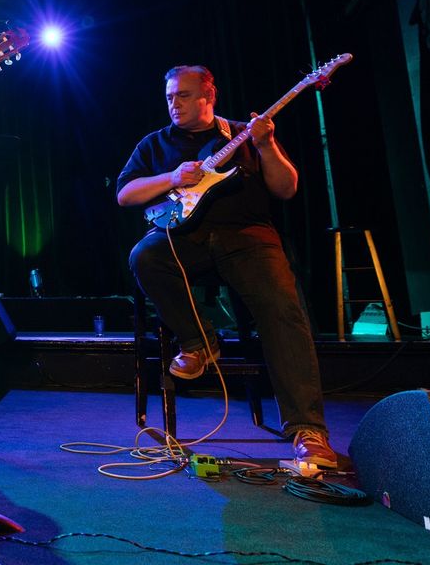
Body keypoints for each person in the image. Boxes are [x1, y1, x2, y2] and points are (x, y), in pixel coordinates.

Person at [116, 65, 336, 468]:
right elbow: (126, 194)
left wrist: (267, 145)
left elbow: (286, 188)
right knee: (143, 256)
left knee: (282, 309)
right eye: (169, 97)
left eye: (183, 95)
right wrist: (171, 176)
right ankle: (199, 342)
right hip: (184, 239)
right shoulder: (155, 143)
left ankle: (309, 431)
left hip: (248, 237)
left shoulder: (244, 133)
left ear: (208, 96)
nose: (174, 104)